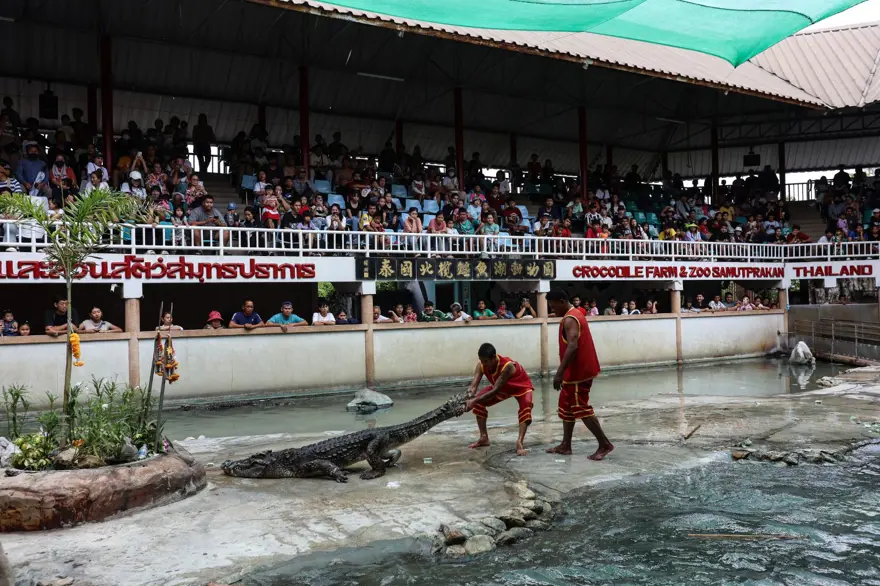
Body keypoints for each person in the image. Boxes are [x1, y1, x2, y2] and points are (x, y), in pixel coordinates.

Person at [545, 290, 613, 461]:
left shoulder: (570, 318)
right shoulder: (576, 313)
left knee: (581, 407)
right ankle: (566, 445)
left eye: (553, 306)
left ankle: (605, 444)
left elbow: (573, 346)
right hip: (574, 372)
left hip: (578, 372)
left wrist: (559, 373)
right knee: (566, 406)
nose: (553, 310)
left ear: (561, 301)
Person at [465, 343, 534, 457]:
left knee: (526, 407)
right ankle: (484, 437)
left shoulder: (507, 366)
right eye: (482, 361)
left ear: (493, 358)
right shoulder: (481, 365)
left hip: (520, 386)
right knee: (478, 402)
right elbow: (473, 386)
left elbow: (495, 390)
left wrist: (473, 401)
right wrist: (468, 397)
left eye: (486, 361)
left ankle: (519, 442)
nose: (484, 364)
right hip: (502, 388)